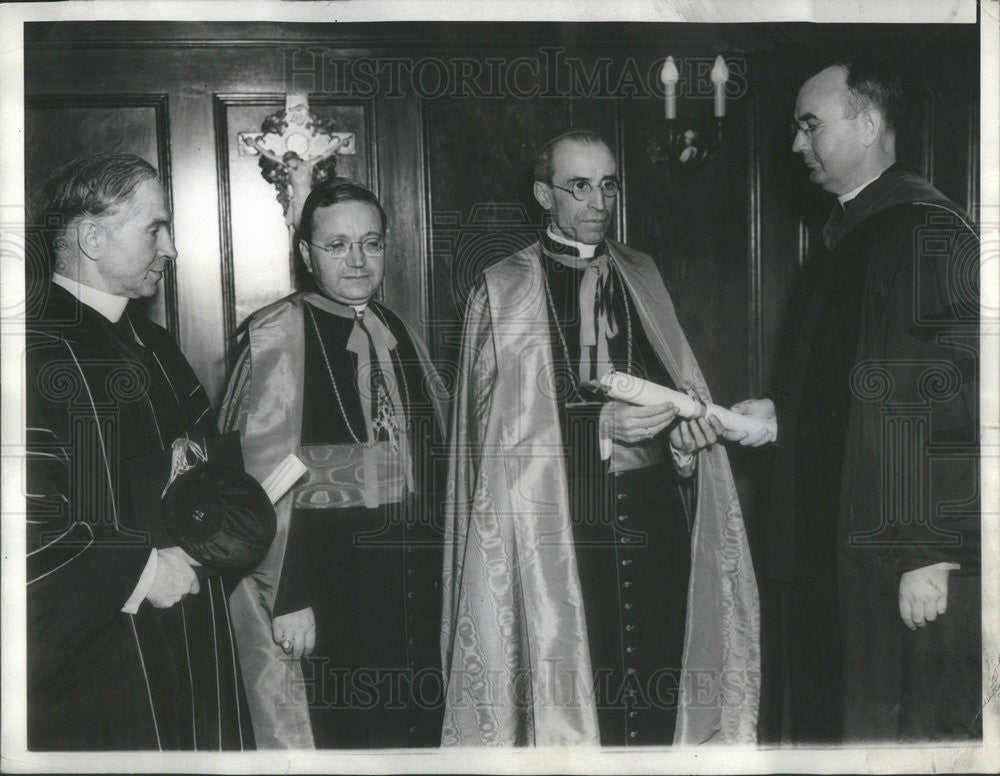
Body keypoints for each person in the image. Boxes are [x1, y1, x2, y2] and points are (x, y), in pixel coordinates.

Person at [441, 129, 760, 746]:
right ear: (544, 195)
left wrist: (684, 444)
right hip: (557, 530)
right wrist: (595, 429)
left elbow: (677, 386)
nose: (599, 202)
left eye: (608, 184)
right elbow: (491, 439)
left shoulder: (642, 273)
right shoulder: (501, 289)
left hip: (654, 522)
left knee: (660, 684)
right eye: (579, 186)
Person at [730, 57, 979, 741]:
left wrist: (929, 551)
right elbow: (852, 384)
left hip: (893, 553)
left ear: (868, 123)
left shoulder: (928, 232)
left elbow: (952, 398)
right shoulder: (845, 237)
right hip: (829, 542)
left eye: (810, 126)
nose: (795, 145)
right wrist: (778, 414)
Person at [25, 153, 253, 750]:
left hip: (190, 639)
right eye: (155, 228)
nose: (171, 248)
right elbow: (22, 528)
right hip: (105, 662)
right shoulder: (32, 351)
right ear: (92, 237)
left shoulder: (154, 344)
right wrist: (142, 568)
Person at [220, 179, 447, 748]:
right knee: (341, 734)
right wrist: (291, 595)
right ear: (305, 255)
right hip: (325, 581)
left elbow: (433, 460)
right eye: (337, 245)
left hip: (407, 576)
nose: (356, 260)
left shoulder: (400, 331)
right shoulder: (275, 335)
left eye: (370, 243)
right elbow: (253, 484)